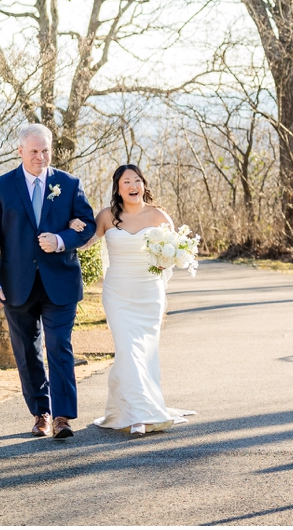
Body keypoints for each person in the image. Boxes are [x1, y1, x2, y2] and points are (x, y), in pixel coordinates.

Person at [0, 124, 96, 439]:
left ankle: (62, 417)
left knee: (59, 346)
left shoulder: (69, 185)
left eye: (45, 151)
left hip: (61, 282)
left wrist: (60, 239)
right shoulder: (1, 187)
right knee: (27, 351)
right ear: (20, 151)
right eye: (34, 151)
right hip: (17, 284)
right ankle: (40, 414)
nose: (40, 157)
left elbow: (88, 225)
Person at [71, 164, 194, 435]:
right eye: (126, 182)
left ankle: (137, 409)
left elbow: (174, 254)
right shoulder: (106, 216)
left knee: (144, 353)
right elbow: (85, 243)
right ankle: (139, 414)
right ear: (118, 188)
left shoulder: (159, 216)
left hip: (149, 294)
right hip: (117, 295)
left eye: (136, 180)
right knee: (128, 351)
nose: (132, 185)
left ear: (143, 185)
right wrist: (73, 226)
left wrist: (166, 264)